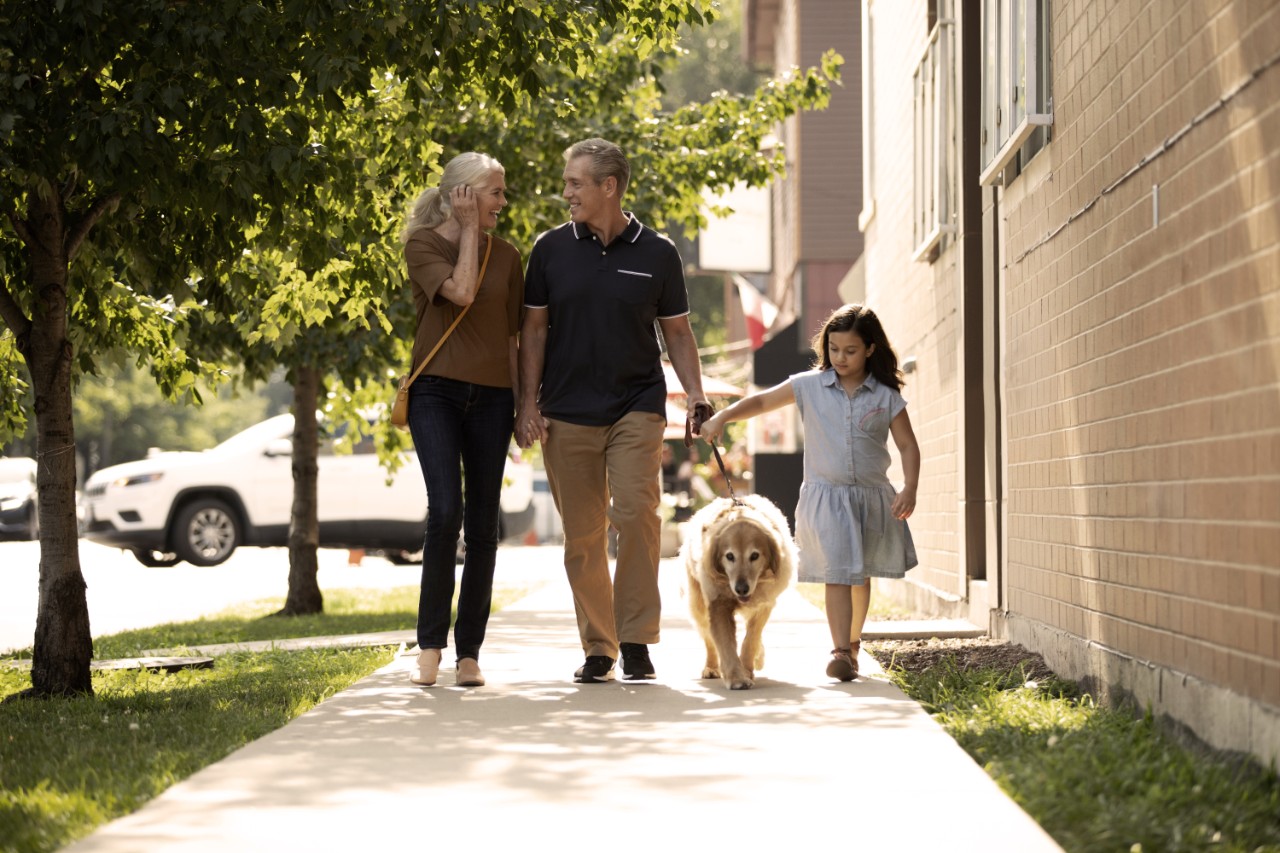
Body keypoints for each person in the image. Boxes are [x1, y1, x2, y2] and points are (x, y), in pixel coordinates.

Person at [516, 138, 709, 683]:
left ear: (609, 186)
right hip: (568, 409)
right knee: (581, 535)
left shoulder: (659, 254)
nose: (566, 192)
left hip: (636, 403)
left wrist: (695, 394)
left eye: (575, 183)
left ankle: (636, 639)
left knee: (637, 515)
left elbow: (678, 332)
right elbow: (531, 332)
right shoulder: (550, 250)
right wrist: (526, 404)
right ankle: (599, 647)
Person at [697, 303, 920, 682]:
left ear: (869, 349)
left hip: (869, 496)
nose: (840, 357)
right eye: (833, 349)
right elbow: (763, 401)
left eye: (850, 350)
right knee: (838, 573)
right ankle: (838, 651)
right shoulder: (810, 386)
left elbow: (908, 446)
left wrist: (910, 487)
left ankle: (852, 646)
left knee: (860, 575)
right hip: (826, 498)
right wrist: (721, 417)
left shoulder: (885, 396)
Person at [401, 152, 524, 688]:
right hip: (435, 392)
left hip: (495, 397)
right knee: (444, 510)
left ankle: (468, 651)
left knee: (483, 525)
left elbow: (515, 338)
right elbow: (461, 292)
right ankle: (430, 645)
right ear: (465, 196)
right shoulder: (422, 243)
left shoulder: (511, 256)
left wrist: (526, 405)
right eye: (494, 192)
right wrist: (469, 230)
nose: (503, 201)